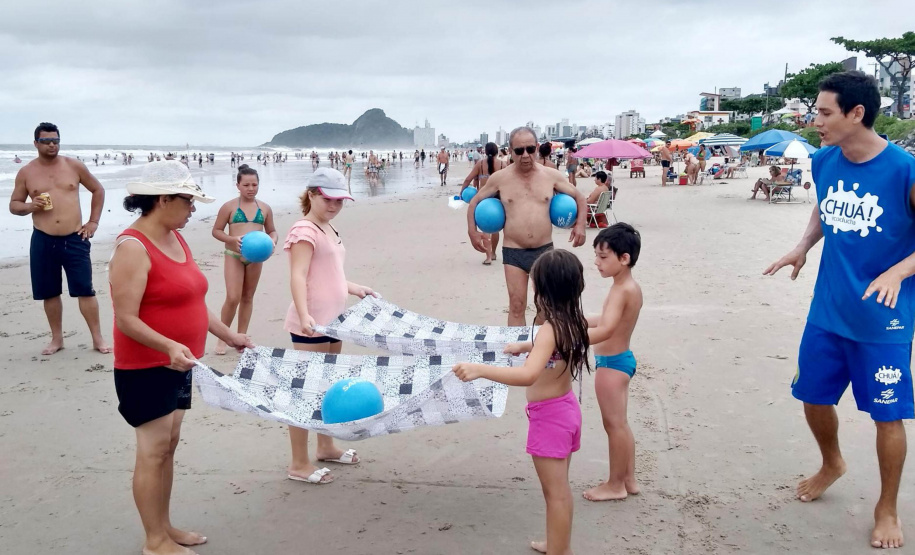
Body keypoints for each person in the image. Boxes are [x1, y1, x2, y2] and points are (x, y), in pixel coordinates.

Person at [764, 71, 915, 550]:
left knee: (887, 416)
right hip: (828, 310)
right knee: (812, 395)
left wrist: (897, 272)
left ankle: (886, 507)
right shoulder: (824, 160)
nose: (815, 121)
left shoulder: (904, 170)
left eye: (825, 112)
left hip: (883, 320)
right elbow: (825, 209)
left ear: (856, 114)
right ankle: (832, 462)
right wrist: (803, 246)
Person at [109, 160, 253, 555]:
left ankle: (164, 526)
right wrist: (168, 346)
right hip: (147, 365)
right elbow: (125, 318)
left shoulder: (176, 237)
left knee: (169, 445)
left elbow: (194, 302)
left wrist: (230, 336)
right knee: (153, 449)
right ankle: (154, 541)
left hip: (182, 362)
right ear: (163, 199)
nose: (193, 208)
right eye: (187, 200)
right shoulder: (132, 247)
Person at [453, 249, 590, 555]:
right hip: (566, 410)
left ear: (542, 290)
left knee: (556, 494)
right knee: (557, 490)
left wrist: (479, 370)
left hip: (549, 419)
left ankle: (560, 551)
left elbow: (529, 375)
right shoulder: (573, 320)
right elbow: (553, 346)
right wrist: (526, 344)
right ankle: (557, 543)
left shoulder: (549, 329)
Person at [284, 167, 376, 485]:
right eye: (328, 199)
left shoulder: (328, 228)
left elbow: (330, 273)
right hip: (310, 323)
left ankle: (325, 446)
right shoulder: (304, 230)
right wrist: (304, 313)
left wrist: (355, 288)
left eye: (340, 200)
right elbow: (298, 274)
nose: (334, 206)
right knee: (305, 392)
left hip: (335, 322)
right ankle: (298, 462)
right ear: (312, 194)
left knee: (327, 386)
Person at [466, 126, 586, 326]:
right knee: (516, 305)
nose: (525, 155)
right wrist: (473, 232)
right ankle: (518, 354)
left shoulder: (551, 175)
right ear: (511, 151)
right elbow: (474, 202)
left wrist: (580, 225)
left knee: (547, 307)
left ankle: (538, 349)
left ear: (537, 148)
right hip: (514, 251)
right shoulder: (500, 178)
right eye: (519, 151)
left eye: (530, 149)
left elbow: (579, 197)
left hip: (545, 251)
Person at [9, 122, 110, 356]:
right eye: (46, 141)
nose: (52, 144)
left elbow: (98, 190)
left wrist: (93, 222)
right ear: (36, 143)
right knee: (49, 292)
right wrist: (30, 206)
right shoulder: (26, 172)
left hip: (75, 237)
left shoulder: (73, 165)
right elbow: (14, 205)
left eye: (55, 140)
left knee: (85, 290)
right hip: (43, 239)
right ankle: (57, 339)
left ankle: (97, 337)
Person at [581, 224, 643, 502]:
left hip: (611, 365)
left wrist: (570, 337)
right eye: (596, 256)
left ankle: (615, 484)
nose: (596, 263)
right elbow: (606, 319)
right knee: (621, 424)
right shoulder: (625, 286)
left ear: (624, 258)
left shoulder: (622, 290)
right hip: (621, 360)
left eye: (603, 257)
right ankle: (628, 479)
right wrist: (578, 320)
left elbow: (605, 330)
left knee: (614, 425)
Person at [210, 165, 277, 355]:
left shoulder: (264, 208)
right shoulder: (229, 207)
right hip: (234, 255)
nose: (251, 188)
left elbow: (272, 230)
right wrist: (231, 240)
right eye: (246, 184)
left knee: (248, 297)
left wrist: (272, 241)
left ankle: (242, 337)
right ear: (238, 185)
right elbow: (216, 230)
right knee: (233, 297)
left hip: (256, 257)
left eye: (254, 184)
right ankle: (223, 337)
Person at [460, 142, 506, 265]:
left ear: (485, 152)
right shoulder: (502, 164)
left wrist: (461, 192)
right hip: (497, 199)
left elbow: (468, 179)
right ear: (497, 152)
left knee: (485, 227)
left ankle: (488, 256)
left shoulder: (480, 164)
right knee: (496, 228)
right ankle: (494, 253)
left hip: (483, 200)